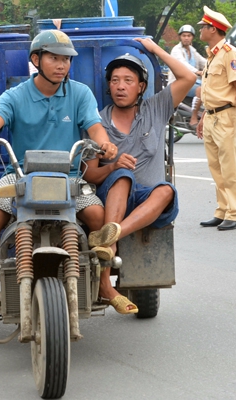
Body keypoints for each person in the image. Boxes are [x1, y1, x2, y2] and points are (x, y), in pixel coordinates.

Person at [0, 30, 118, 321]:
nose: (62, 65)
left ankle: (105, 284)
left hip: (68, 177)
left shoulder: (80, 93)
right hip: (20, 176)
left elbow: (94, 127)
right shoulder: (16, 95)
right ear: (36, 59)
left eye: (66, 60)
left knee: (98, 215)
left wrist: (104, 143)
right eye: (54, 58)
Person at [80, 38, 195, 313]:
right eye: (115, 80)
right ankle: (106, 276)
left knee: (166, 190)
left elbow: (188, 76)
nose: (120, 86)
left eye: (128, 80)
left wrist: (153, 50)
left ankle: (113, 235)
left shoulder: (156, 109)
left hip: (146, 205)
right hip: (111, 198)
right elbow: (91, 175)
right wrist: (114, 165)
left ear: (141, 86)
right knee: (122, 175)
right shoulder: (98, 122)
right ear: (108, 86)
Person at [196, 6, 236, 231]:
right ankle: (222, 209)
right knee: (215, 167)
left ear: (213, 29)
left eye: (203, 27)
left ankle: (234, 213)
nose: (200, 30)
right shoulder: (212, 55)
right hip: (211, 116)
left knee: (229, 168)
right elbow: (210, 89)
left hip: (227, 116)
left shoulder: (230, 54)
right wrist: (202, 117)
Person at [169, 24, 207, 126]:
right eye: (184, 36)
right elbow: (182, 64)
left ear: (192, 37)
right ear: (180, 37)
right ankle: (194, 118)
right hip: (180, 83)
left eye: (189, 36)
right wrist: (197, 71)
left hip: (192, 81)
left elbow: (204, 62)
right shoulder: (176, 51)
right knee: (201, 89)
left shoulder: (192, 51)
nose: (186, 38)